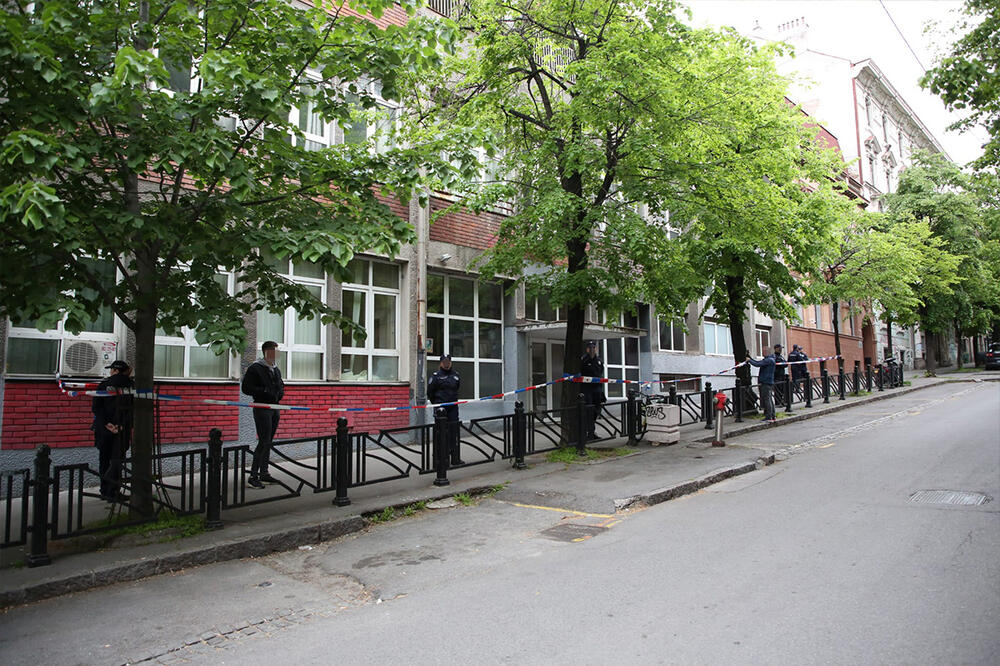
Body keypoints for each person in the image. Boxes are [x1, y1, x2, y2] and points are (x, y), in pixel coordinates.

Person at [241, 341, 284, 489]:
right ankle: (253, 476)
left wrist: (279, 393)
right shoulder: (256, 368)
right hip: (262, 408)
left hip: (275, 407)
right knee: (263, 441)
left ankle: (264, 473)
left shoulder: (275, 369)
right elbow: (246, 388)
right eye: (273, 351)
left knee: (268, 442)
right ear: (266, 352)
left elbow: (280, 385)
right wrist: (264, 391)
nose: (275, 354)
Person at [92, 359, 134, 501]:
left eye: (111, 369)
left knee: (104, 459)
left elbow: (96, 407)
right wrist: (121, 425)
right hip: (121, 429)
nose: (110, 372)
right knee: (117, 460)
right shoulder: (131, 385)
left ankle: (104, 490)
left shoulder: (104, 384)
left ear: (115, 370)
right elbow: (132, 409)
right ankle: (113, 490)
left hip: (104, 429)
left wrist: (107, 424)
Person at [427, 354, 463, 465]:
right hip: (441, 409)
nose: (447, 364)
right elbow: (430, 393)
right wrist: (437, 404)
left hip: (453, 408)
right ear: (441, 363)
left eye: (448, 361)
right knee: (441, 434)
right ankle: (442, 460)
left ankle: (455, 458)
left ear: (450, 362)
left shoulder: (455, 375)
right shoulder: (436, 377)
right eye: (445, 362)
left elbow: (457, 388)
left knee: (454, 432)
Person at [580, 340, 605, 439]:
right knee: (588, 410)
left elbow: (600, 373)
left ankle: (591, 432)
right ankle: (587, 433)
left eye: (593, 348)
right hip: (587, 389)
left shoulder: (599, 361)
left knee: (596, 410)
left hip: (597, 389)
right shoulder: (583, 360)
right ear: (587, 349)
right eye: (590, 348)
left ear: (596, 349)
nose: (592, 350)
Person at [745, 349, 777, 422]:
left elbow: (757, 364)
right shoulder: (769, 359)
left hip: (766, 382)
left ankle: (769, 416)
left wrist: (749, 360)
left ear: (766, 352)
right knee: (769, 399)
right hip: (768, 382)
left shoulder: (768, 360)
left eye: (763, 352)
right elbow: (757, 362)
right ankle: (772, 415)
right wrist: (750, 358)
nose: (762, 353)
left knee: (767, 399)